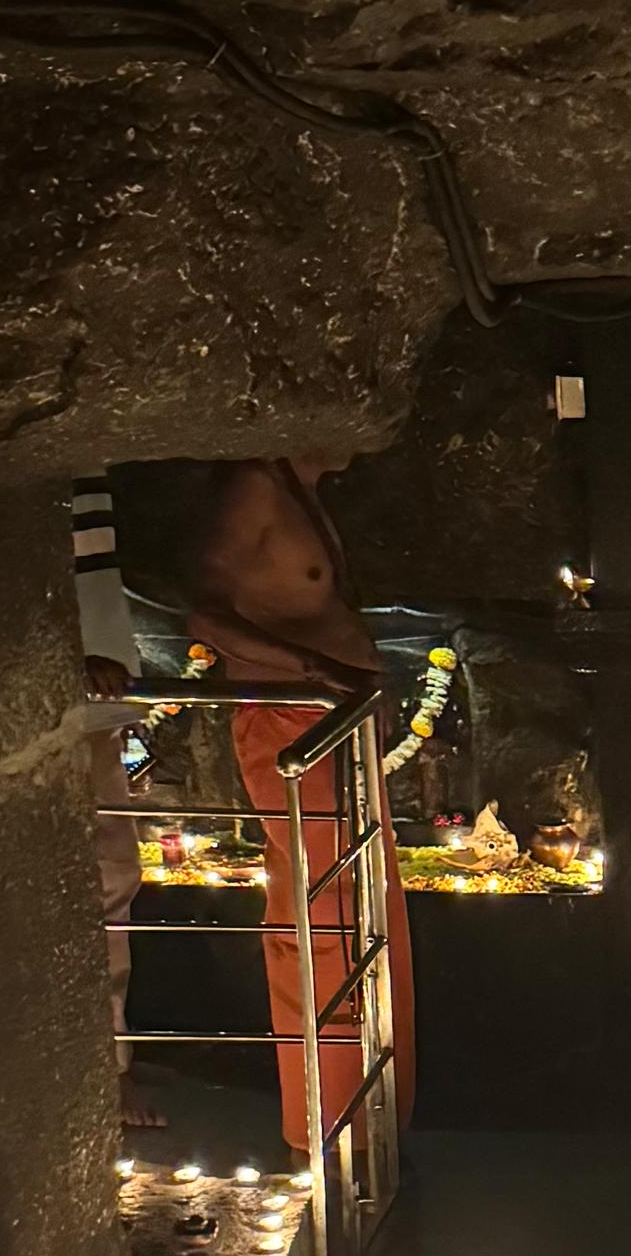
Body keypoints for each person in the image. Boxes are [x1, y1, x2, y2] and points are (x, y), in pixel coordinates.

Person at [181, 455, 417, 1157]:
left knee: (367, 909)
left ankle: (372, 1112)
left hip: (334, 722)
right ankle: (326, 1128)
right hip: (293, 723)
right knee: (324, 916)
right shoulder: (255, 488)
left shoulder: (299, 489)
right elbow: (203, 611)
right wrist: (316, 670)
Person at [69, 475, 163, 1133]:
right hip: (77, 696)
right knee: (105, 881)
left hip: (95, 694)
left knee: (113, 879)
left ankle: (112, 1059)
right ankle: (108, 1065)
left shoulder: (85, 473)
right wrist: (66, 663)